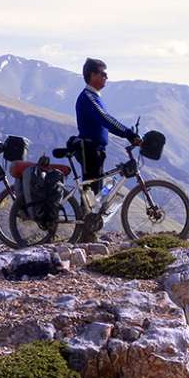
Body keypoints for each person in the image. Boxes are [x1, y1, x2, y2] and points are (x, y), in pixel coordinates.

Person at [75, 58, 142, 241]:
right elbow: (105, 119)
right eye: (102, 73)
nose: (106, 77)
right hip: (89, 148)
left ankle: (89, 231)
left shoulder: (95, 96)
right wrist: (128, 133)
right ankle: (86, 233)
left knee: (96, 190)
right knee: (90, 190)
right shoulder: (89, 97)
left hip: (96, 149)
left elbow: (105, 119)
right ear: (92, 75)